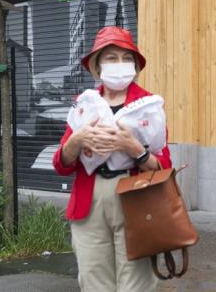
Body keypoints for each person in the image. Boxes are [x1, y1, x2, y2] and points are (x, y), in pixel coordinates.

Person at [53, 26, 172, 292]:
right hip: (89, 200)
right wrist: (77, 139)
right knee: (94, 281)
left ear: (135, 65)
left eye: (126, 58)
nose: (120, 65)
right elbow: (61, 164)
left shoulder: (149, 105)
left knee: (136, 284)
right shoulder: (84, 103)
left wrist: (133, 148)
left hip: (136, 198)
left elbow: (163, 166)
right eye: (111, 58)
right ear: (97, 66)